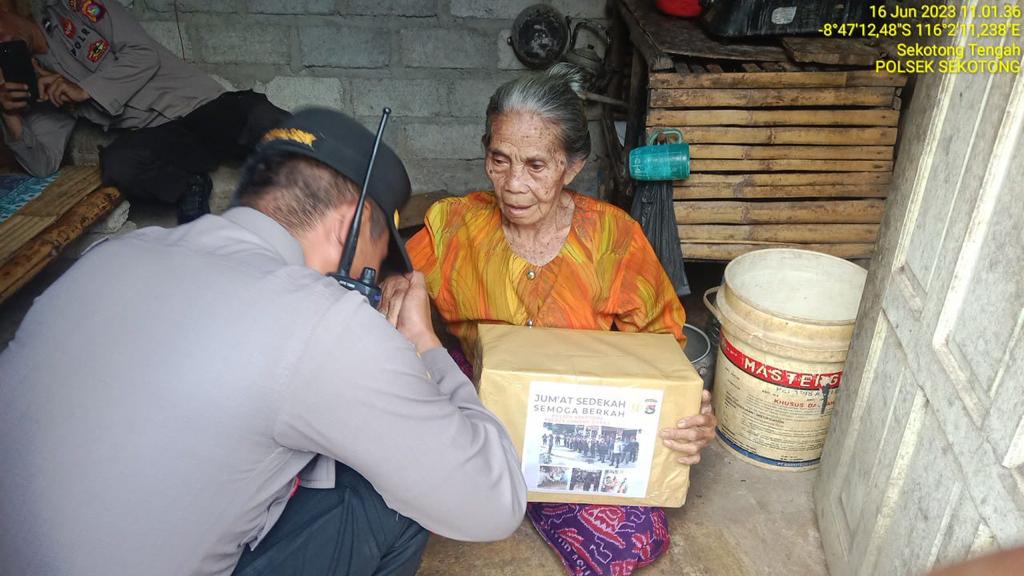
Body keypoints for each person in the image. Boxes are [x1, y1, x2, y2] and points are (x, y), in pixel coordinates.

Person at [0, 108, 526, 576]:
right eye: (378, 256)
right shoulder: (323, 321)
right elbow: (493, 502)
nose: (372, 278)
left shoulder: (113, 256)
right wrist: (425, 344)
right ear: (351, 228)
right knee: (394, 499)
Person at [405, 64, 717, 575]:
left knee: (629, 537)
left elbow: (661, 357)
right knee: (386, 482)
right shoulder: (453, 225)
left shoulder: (614, 239)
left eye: (535, 165)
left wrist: (690, 415)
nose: (513, 184)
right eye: (499, 160)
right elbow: (392, 303)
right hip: (477, 397)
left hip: (578, 416)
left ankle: (513, 488)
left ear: (572, 166)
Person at [0, 1, 289, 223]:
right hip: (161, 138)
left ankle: (323, 168)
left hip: (203, 106)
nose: (2, 42)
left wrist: (84, 89)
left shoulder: (74, 10)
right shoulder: (33, 82)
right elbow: (42, 165)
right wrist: (9, 114)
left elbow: (141, 54)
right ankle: (190, 186)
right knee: (119, 164)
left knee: (262, 119)